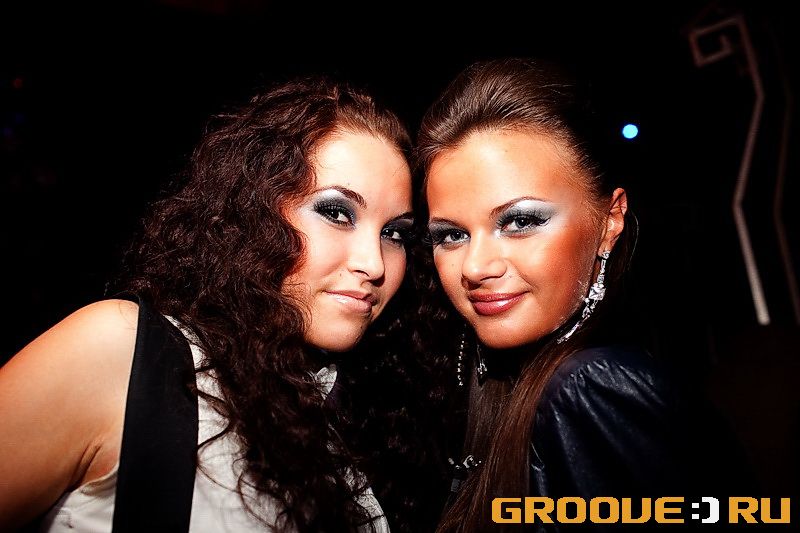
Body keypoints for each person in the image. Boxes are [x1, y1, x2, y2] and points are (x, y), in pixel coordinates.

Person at [0, 74, 417, 532]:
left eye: (394, 233)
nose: (374, 263)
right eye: (336, 213)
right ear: (252, 211)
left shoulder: (343, 430)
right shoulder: (123, 352)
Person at [412, 57, 758, 532]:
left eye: (521, 221)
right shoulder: (504, 386)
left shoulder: (590, 388)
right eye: (451, 235)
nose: (475, 267)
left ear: (609, 221)